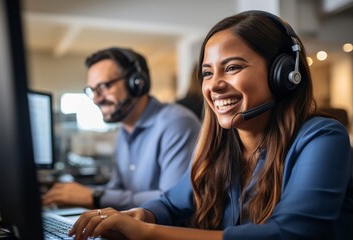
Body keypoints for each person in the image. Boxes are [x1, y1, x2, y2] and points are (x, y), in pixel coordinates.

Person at [69, 10, 353, 240]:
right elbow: (169, 204)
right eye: (207, 72)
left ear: (282, 73)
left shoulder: (323, 138)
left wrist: (149, 232)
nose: (214, 85)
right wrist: (142, 215)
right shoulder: (220, 147)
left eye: (232, 67)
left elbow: (290, 234)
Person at [42, 47, 201, 210]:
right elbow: (116, 190)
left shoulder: (177, 123)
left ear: (137, 83)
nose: (96, 99)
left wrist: (95, 197)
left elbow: (173, 201)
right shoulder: (123, 132)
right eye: (92, 90)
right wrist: (79, 194)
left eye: (104, 86)